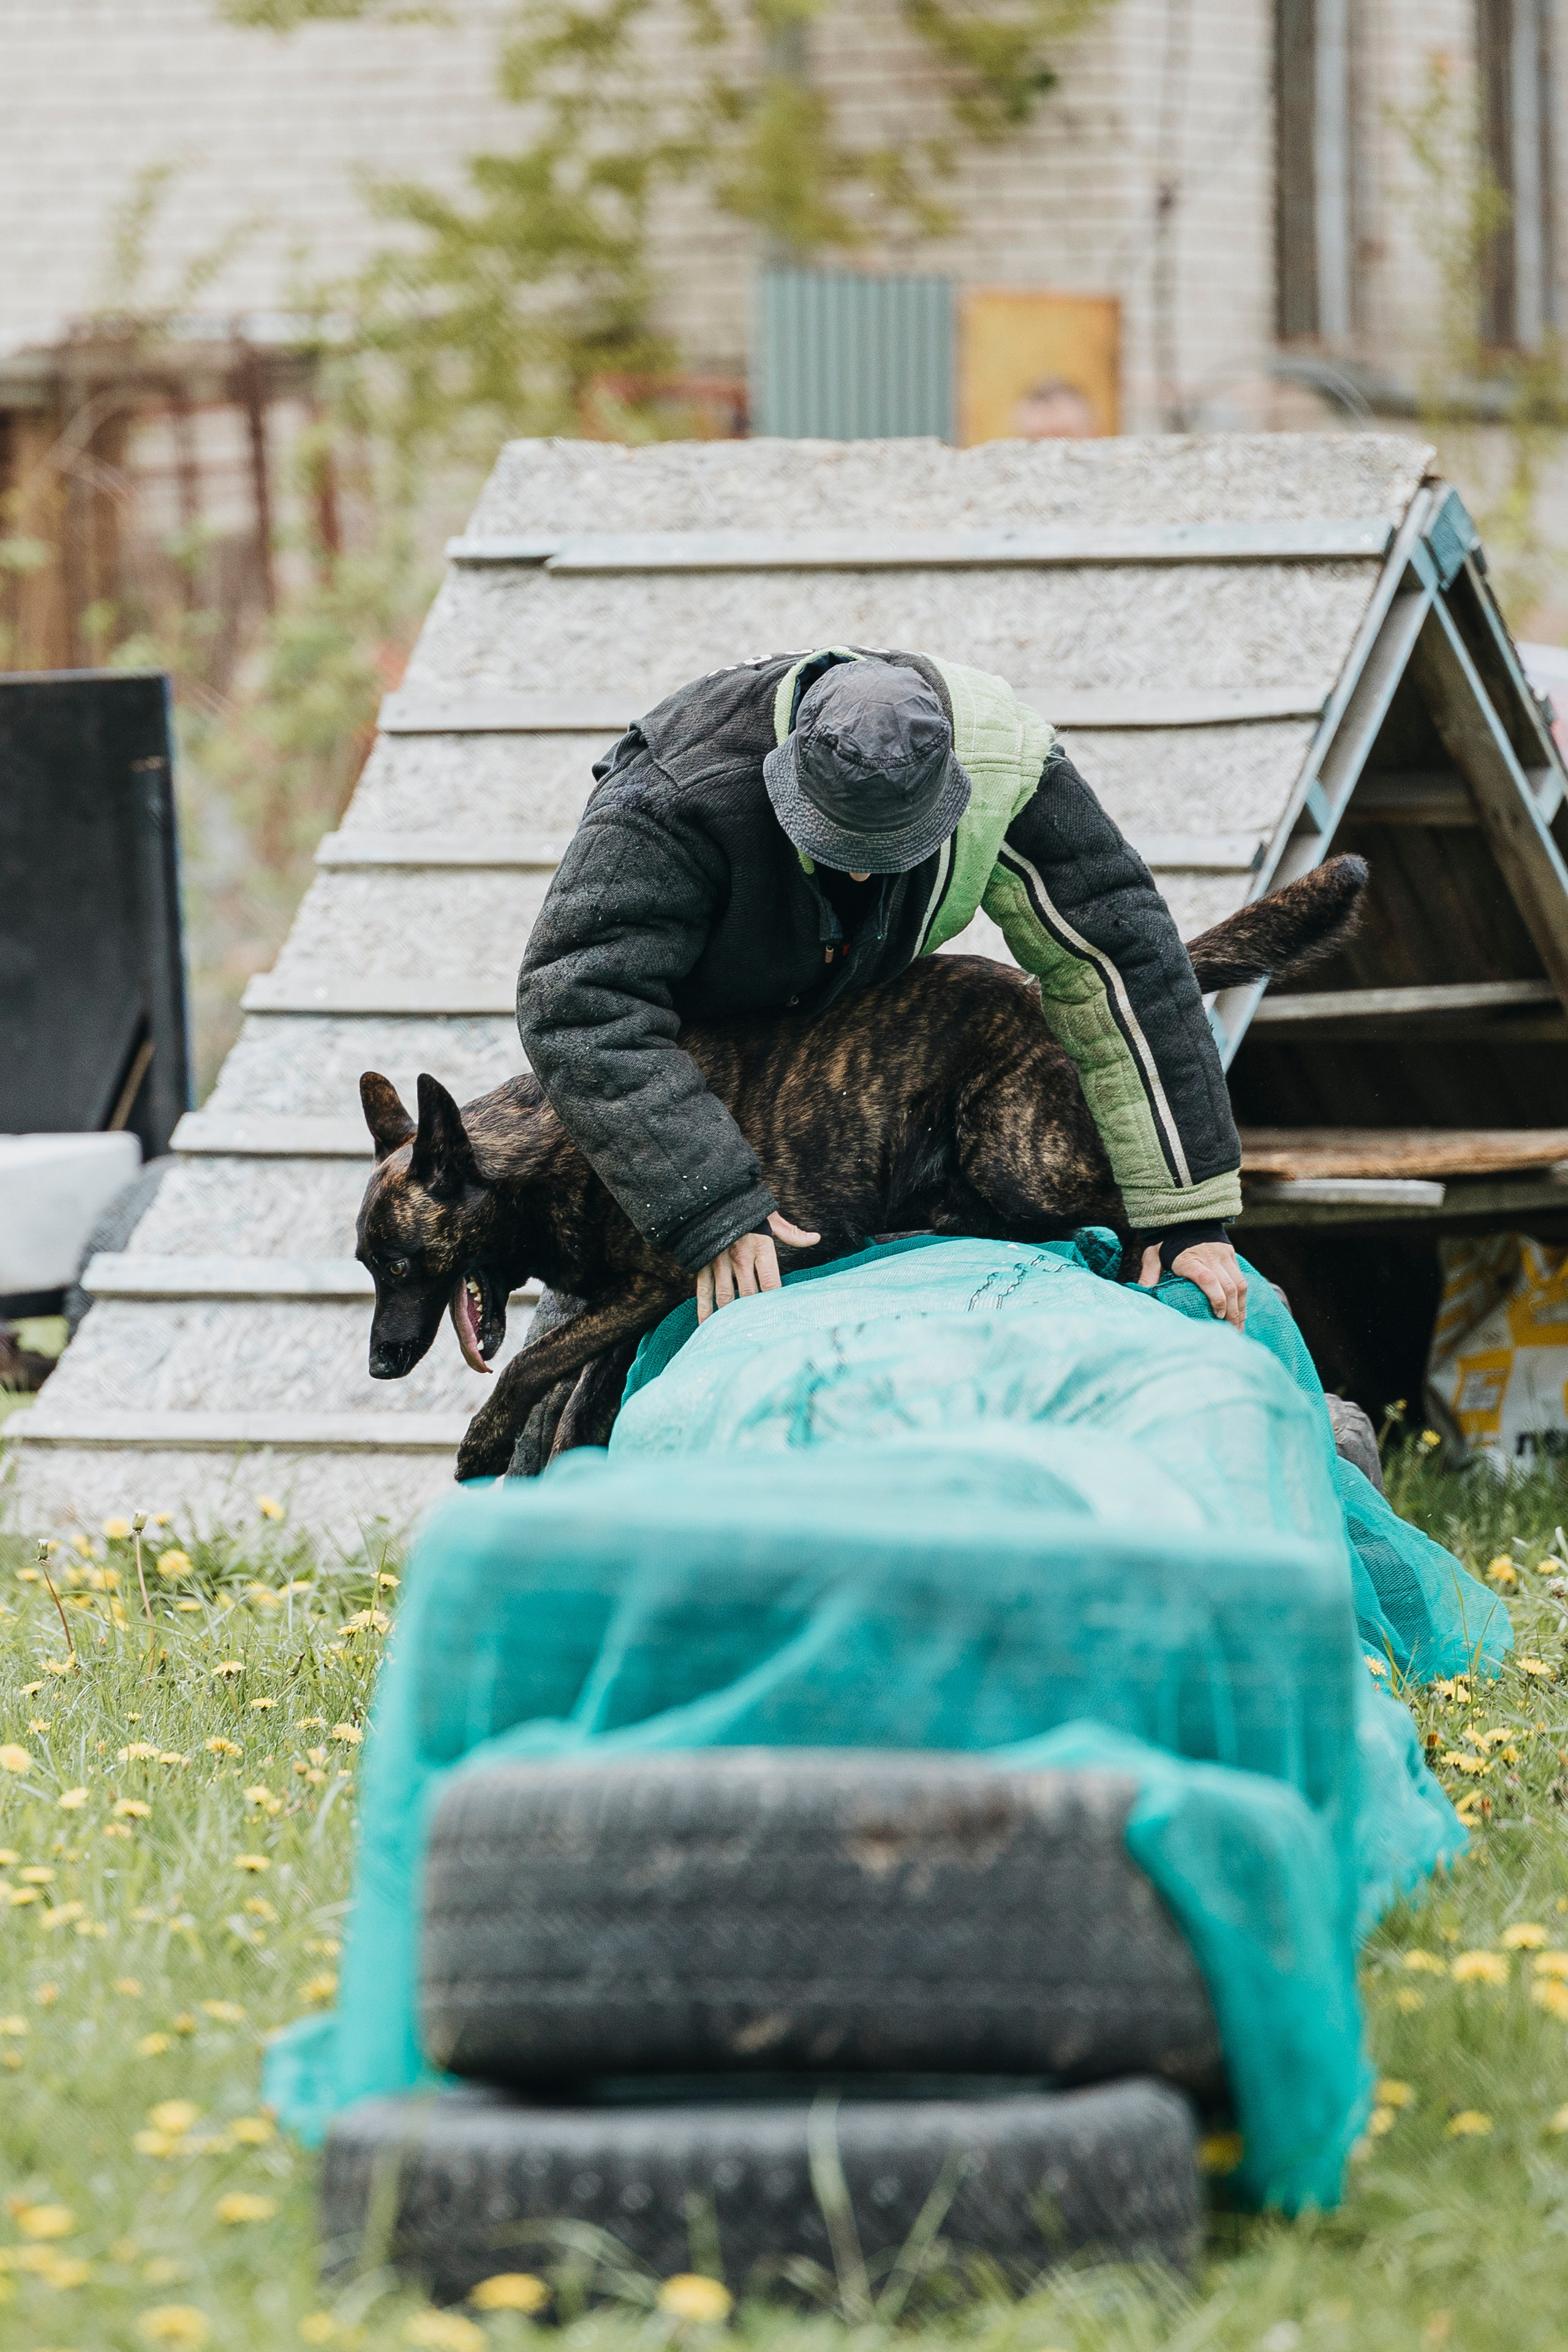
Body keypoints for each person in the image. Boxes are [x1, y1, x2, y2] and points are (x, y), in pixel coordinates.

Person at [518, 649, 1246, 1329]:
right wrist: (703, 1204)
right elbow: (578, 1004)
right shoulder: (670, 796)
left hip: (834, 1052)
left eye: (892, 850)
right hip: (675, 1071)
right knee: (596, 1325)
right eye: (838, 846)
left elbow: (1118, 965)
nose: (863, 873)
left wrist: (1186, 1212)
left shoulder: (1006, 764)